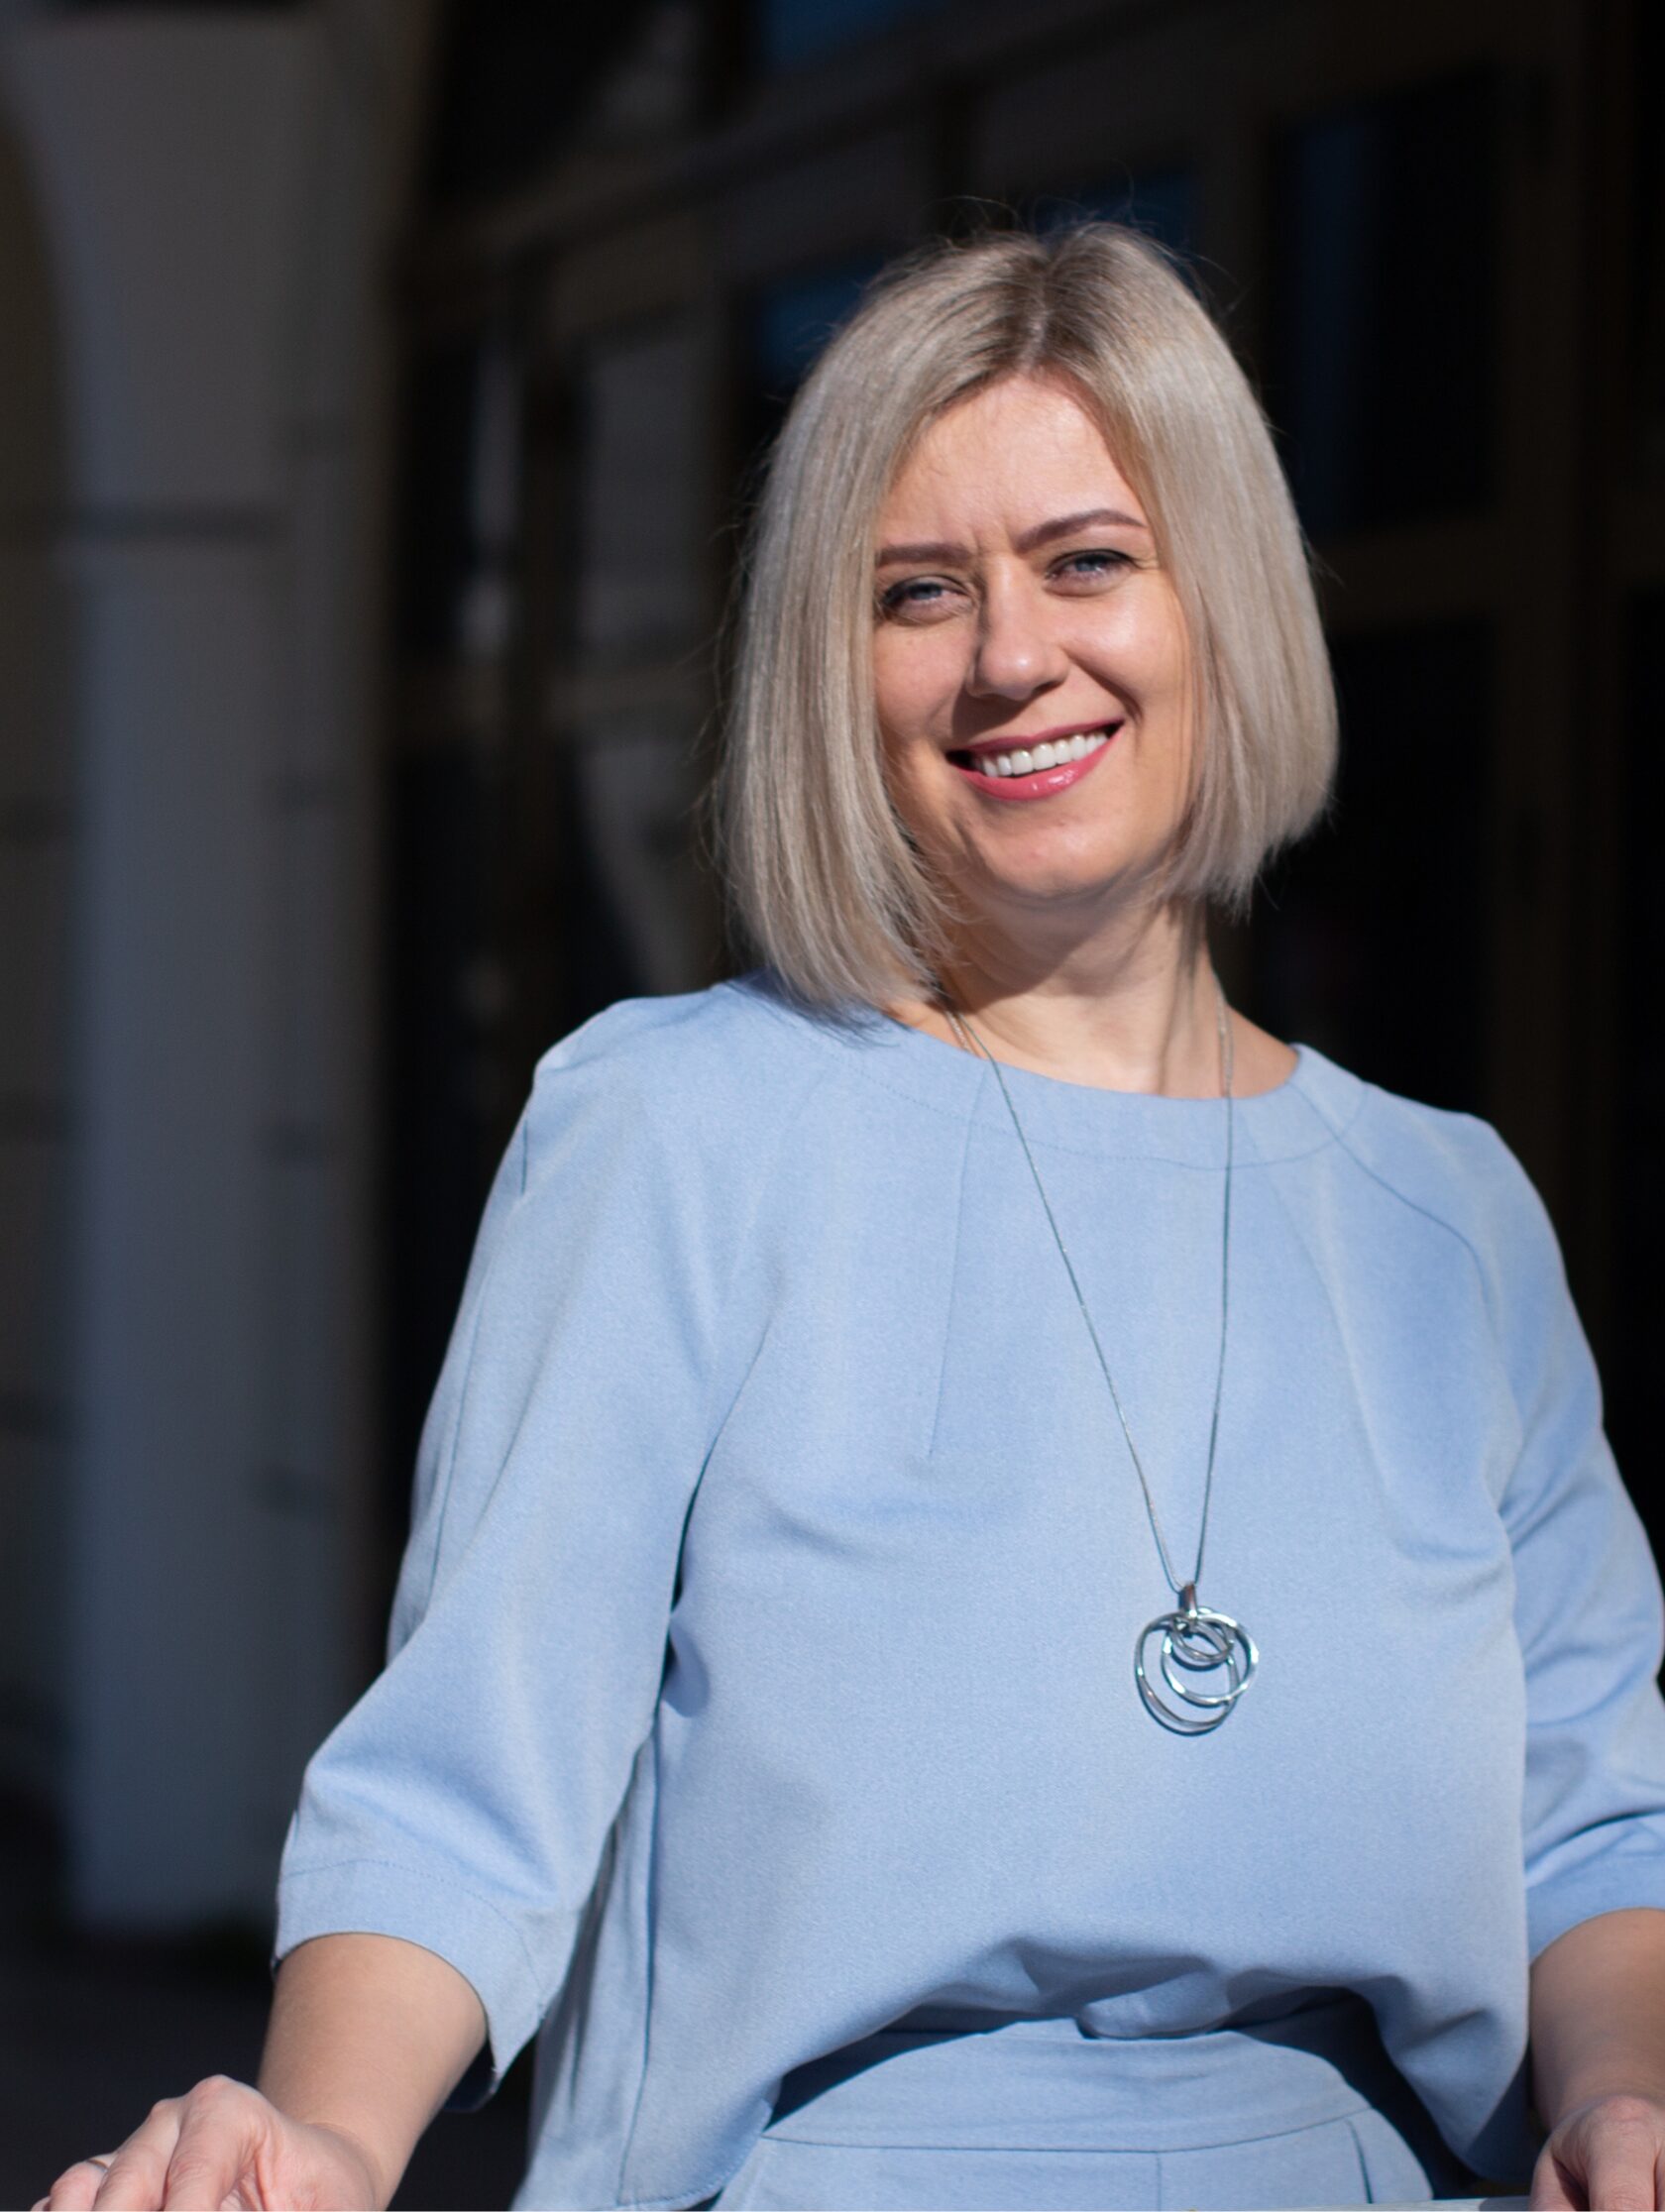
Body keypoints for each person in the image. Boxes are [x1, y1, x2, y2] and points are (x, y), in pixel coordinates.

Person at [39, 222, 1665, 2212]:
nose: (1008, 657)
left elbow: (1594, 1827)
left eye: (1088, 560)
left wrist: (1624, 2101)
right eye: (920, 592)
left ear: (1226, 601)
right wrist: (318, 2140)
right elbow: (465, 1792)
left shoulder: (1450, 1220)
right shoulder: (675, 1132)